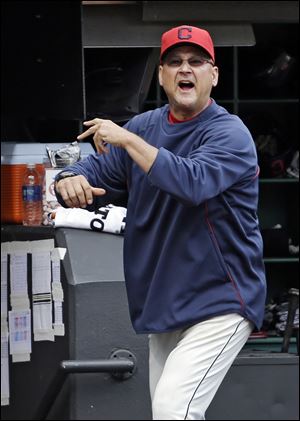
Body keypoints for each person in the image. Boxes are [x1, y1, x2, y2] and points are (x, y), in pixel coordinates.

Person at [54, 25, 266, 420]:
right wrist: (71, 179)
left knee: (174, 410)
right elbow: (96, 169)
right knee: (168, 413)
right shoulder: (145, 127)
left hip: (220, 302)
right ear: (162, 75)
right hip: (165, 304)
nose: (186, 69)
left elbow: (191, 183)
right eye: (175, 62)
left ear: (213, 75)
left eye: (196, 61)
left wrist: (127, 139)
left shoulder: (229, 132)